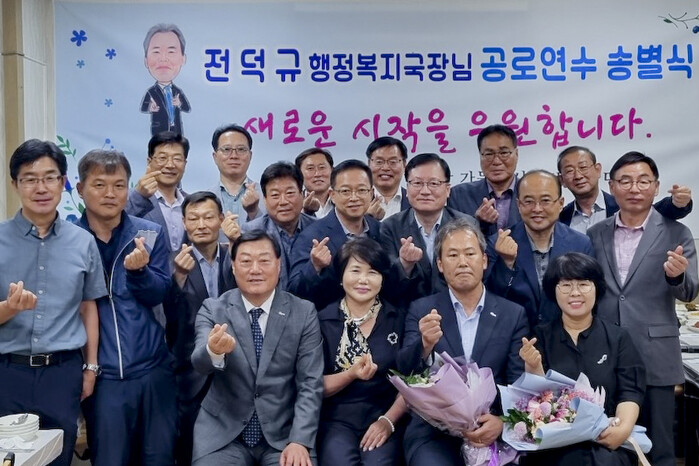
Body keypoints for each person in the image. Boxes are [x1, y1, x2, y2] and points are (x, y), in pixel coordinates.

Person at [588, 151, 699, 466]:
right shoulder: (595, 233)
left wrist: (675, 276)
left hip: (656, 353)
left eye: (643, 181)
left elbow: (690, 291)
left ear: (656, 186)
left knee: (661, 448)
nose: (634, 188)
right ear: (612, 186)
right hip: (607, 352)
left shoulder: (677, 232)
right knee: (610, 444)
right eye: (625, 181)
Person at [0, 139, 106, 466]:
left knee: (58, 458)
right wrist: (10, 308)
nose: (41, 187)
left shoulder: (83, 242)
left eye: (50, 177)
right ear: (15, 184)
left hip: (62, 373)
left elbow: (88, 307)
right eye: (30, 179)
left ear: (63, 182)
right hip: (8, 372)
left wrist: (90, 368)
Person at [397, 218, 529, 465]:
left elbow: (517, 382)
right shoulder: (422, 309)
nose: (462, 262)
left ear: (484, 260)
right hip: (434, 431)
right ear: (440, 264)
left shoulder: (512, 314)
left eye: (470, 253)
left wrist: (502, 422)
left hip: (489, 426)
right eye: (452, 255)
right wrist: (424, 345)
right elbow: (404, 371)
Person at [76, 150, 177, 464]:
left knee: (159, 457)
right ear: (80, 189)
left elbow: (159, 293)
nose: (110, 193)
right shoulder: (70, 240)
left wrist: (139, 273)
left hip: (152, 370)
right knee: (110, 459)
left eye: (119, 185)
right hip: (102, 378)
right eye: (99, 185)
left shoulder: (148, 233)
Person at [191, 230, 323, 465]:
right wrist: (214, 350)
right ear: (233, 267)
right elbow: (199, 362)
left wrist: (300, 440)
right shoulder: (213, 308)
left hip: (284, 434)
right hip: (223, 434)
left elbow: (310, 383)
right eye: (245, 261)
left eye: (264, 261)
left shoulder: (303, 312)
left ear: (279, 265)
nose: (255, 269)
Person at [519, 252, 646, 466]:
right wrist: (533, 367)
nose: (575, 293)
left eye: (583, 284)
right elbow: (536, 401)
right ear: (553, 291)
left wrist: (622, 430)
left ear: (597, 288)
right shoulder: (539, 337)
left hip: (606, 439)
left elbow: (630, 392)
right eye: (566, 285)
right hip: (556, 443)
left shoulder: (618, 337)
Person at [317, 238, 407, 465]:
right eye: (355, 270)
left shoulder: (397, 318)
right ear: (341, 277)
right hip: (335, 420)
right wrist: (350, 374)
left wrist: (388, 421)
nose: (363, 280)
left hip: (385, 414)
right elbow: (313, 385)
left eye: (373, 272)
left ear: (383, 279)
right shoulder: (323, 320)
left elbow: (411, 381)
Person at [163, 191, 236, 465]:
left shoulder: (235, 255)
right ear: (184, 222)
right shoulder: (171, 261)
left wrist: (237, 245)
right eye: (193, 218)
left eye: (208, 217)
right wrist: (179, 278)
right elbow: (165, 317)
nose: (201, 225)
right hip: (189, 374)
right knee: (190, 450)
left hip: (236, 369)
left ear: (221, 219)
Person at [486, 170, 594, 329]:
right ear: (518, 205)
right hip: (514, 336)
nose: (537, 209)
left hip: (565, 335)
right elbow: (490, 301)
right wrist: (506, 264)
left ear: (560, 204)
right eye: (529, 201)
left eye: (545, 201)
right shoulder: (497, 243)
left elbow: (590, 298)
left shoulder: (580, 244)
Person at [380, 152, 476, 305]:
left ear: (448, 189)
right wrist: (405, 264)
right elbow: (385, 285)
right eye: (417, 183)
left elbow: (475, 277)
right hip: (405, 311)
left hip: (456, 309)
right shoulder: (390, 227)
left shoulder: (467, 225)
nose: (425, 191)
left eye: (433, 183)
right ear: (407, 189)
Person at [288, 160, 382, 310]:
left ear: (371, 193)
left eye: (361, 190)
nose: (354, 197)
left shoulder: (379, 229)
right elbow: (294, 291)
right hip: (329, 320)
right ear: (332, 195)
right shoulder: (312, 235)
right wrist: (314, 266)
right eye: (345, 191)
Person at [556, 145, 692, 233]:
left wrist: (678, 203)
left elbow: (659, 211)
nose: (578, 176)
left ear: (598, 170)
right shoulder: (560, 218)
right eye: (569, 171)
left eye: (583, 167)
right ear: (562, 180)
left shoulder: (624, 204)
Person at [241, 162, 315, 290]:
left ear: (302, 195)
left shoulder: (317, 228)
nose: (283, 202)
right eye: (275, 195)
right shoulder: (252, 231)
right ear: (265, 200)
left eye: (290, 193)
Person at [449, 124, 521, 236]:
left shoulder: (533, 193)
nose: (496, 161)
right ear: (480, 156)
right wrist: (476, 222)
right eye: (489, 154)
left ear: (516, 154)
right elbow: (451, 237)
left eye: (504, 153)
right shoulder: (459, 195)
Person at [126, 131, 189, 253]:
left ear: (185, 164)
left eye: (177, 159)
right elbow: (115, 228)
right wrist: (140, 197)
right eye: (162, 158)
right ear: (149, 162)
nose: (170, 165)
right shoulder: (132, 198)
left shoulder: (191, 203)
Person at [209, 123, 266, 224]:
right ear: (215, 157)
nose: (234, 156)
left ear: (250, 156)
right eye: (226, 149)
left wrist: (254, 212)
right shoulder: (205, 199)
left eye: (241, 149)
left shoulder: (266, 195)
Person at [140, 24, 190, 136]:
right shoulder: (151, 92)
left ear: (183, 59)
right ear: (146, 61)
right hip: (158, 133)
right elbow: (143, 107)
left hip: (176, 132)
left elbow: (187, 108)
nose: (163, 59)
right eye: (156, 52)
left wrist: (179, 103)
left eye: (171, 52)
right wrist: (150, 107)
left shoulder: (177, 91)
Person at [365, 136, 411, 220]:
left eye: (393, 162)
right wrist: (365, 218)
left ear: (404, 165)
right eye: (379, 162)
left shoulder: (414, 201)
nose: (385, 168)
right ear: (369, 164)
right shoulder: (357, 201)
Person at [296, 147, 335, 218]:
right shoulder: (293, 203)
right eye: (310, 168)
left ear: (332, 170)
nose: (317, 174)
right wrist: (306, 213)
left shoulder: (342, 200)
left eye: (322, 167)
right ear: (299, 174)